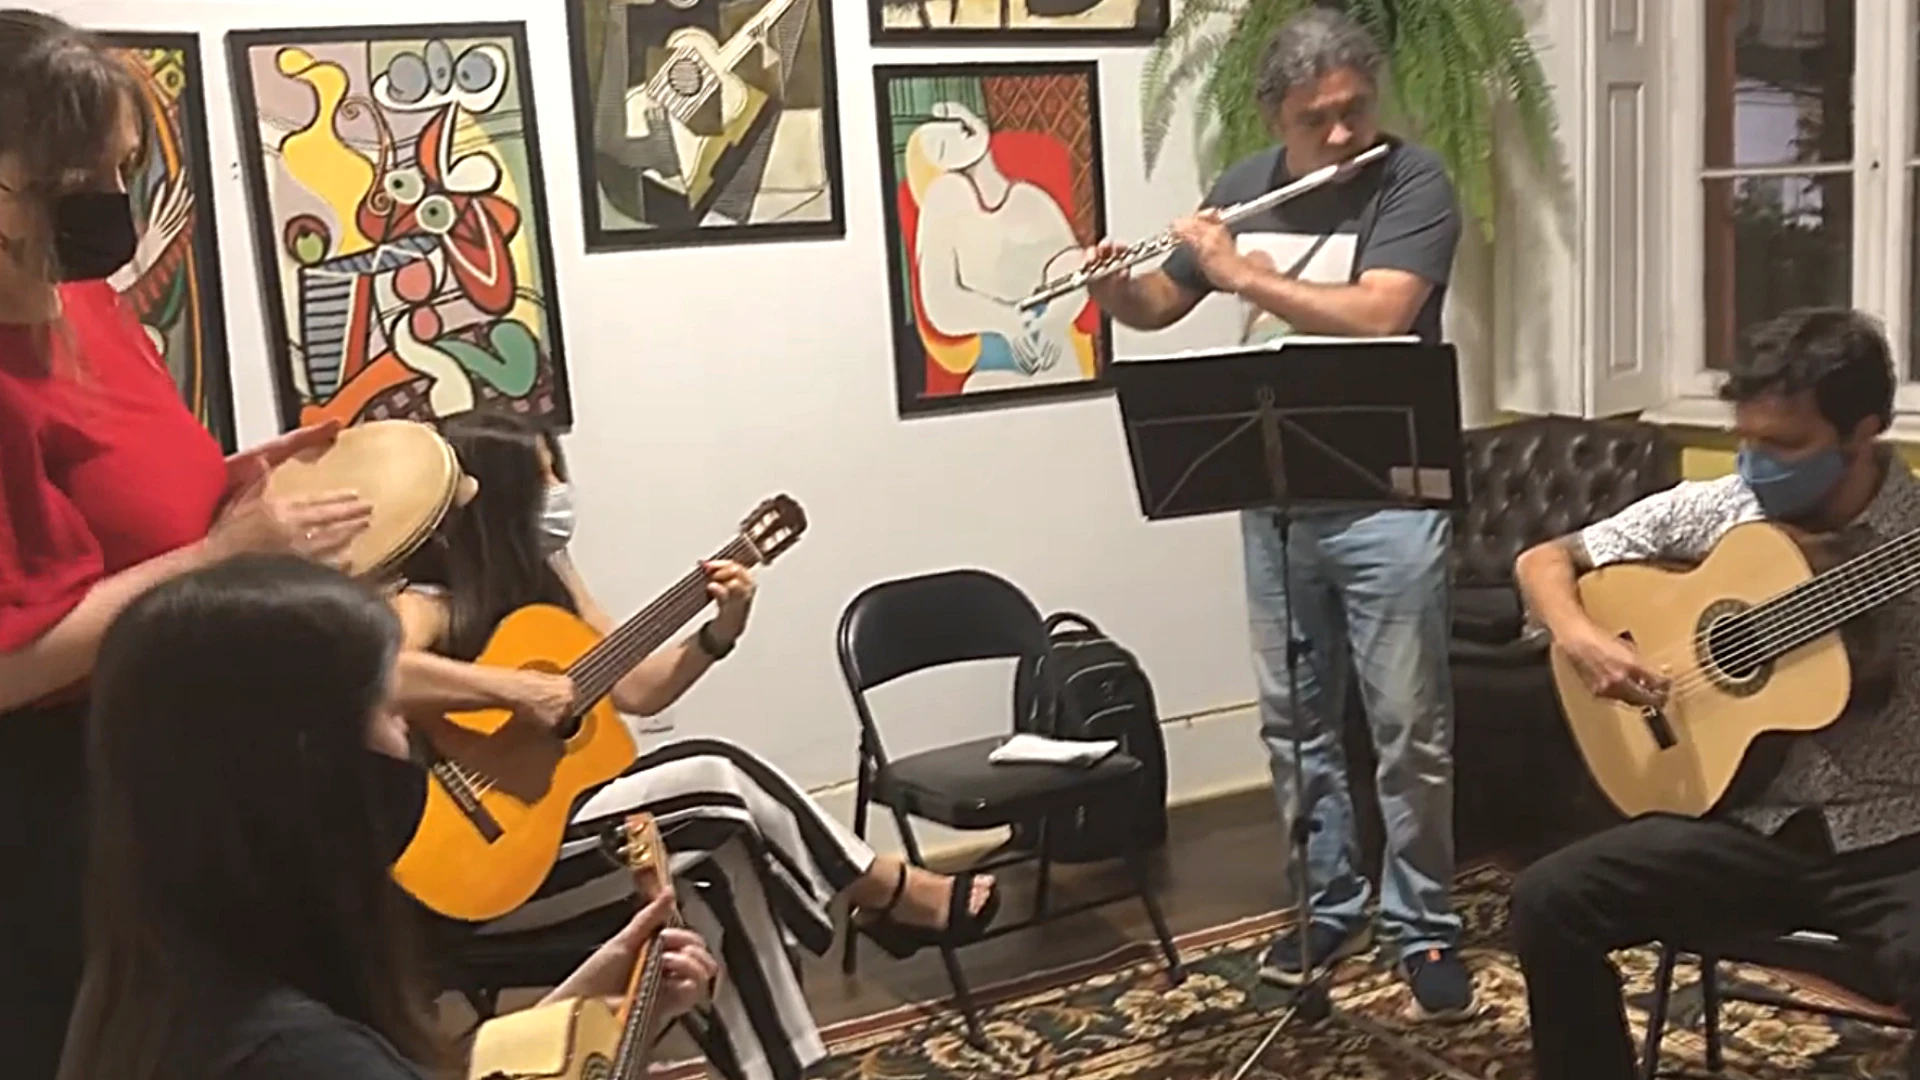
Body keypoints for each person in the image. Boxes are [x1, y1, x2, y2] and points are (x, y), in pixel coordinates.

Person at [391, 411, 1001, 1080]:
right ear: (497, 497)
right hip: (482, 877)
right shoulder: (423, 598)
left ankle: (795, 1068)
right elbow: (381, 672)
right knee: (715, 772)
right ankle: (884, 891)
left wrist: (719, 631)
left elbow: (638, 689)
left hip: (568, 838)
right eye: (540, 479)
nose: (558, 491)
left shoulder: (552, 577)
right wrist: (517, 691)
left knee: (722, 876)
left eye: (556, 471)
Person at [0, 12, 383, 1077]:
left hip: (176, 760)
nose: (114, 198)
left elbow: (129, 495)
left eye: (123, 168)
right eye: (86, 177)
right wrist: (218, 558)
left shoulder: (85, 303)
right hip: (63, 805)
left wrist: (239, 478)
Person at [1083, 7, 1470, 1018]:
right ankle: (1325, 904)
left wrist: (1239, 270)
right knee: (1296, 724)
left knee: (1408, 727)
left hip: (1392, 499)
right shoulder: (1244, 188)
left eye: (1354, 110)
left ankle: (1424, 924)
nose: (1341, 135)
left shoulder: (1414, 181)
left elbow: (1383, 312)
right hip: (1279, 497)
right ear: (1274, 117)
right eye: (1316, 119)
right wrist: (1111, 288)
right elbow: (1159, 306)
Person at [56, 554, 720, 1080]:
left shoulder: (159, 993)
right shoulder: (298, 1055)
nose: (409, 739)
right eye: (390, 710)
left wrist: (584, 1010)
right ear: (306, 765)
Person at [1510, 307, 1920, 1080]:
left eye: (1784, 446)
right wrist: (1581, 637)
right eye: (1746, 440)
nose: (1756, 464)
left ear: (1865, 432)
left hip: (1897, 839)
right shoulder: (1725, 508)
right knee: (1548, 900)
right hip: (1745, 828)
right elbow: (1545, 560)